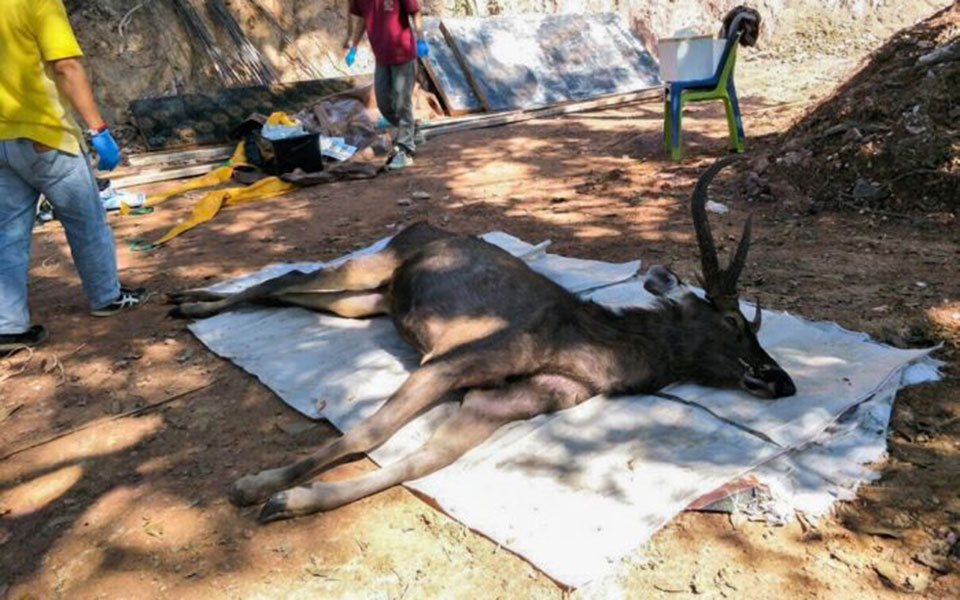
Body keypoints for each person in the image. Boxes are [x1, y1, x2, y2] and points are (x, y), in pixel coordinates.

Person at [0, 0, 145, 351]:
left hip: (3, 139)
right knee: (87, 221)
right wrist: (98, 129)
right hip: (46, 136)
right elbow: (66, 65)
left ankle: (8, 325)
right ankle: (106, 297)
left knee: (9, 234)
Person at [347, 0, 429, 171]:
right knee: (384, 104)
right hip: (382, 57)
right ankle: (412, 129)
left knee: (401, 102)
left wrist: (420, 38)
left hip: (403, 54)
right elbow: (363, 18)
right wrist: (354, 46)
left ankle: (405, 149)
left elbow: (415, 11)